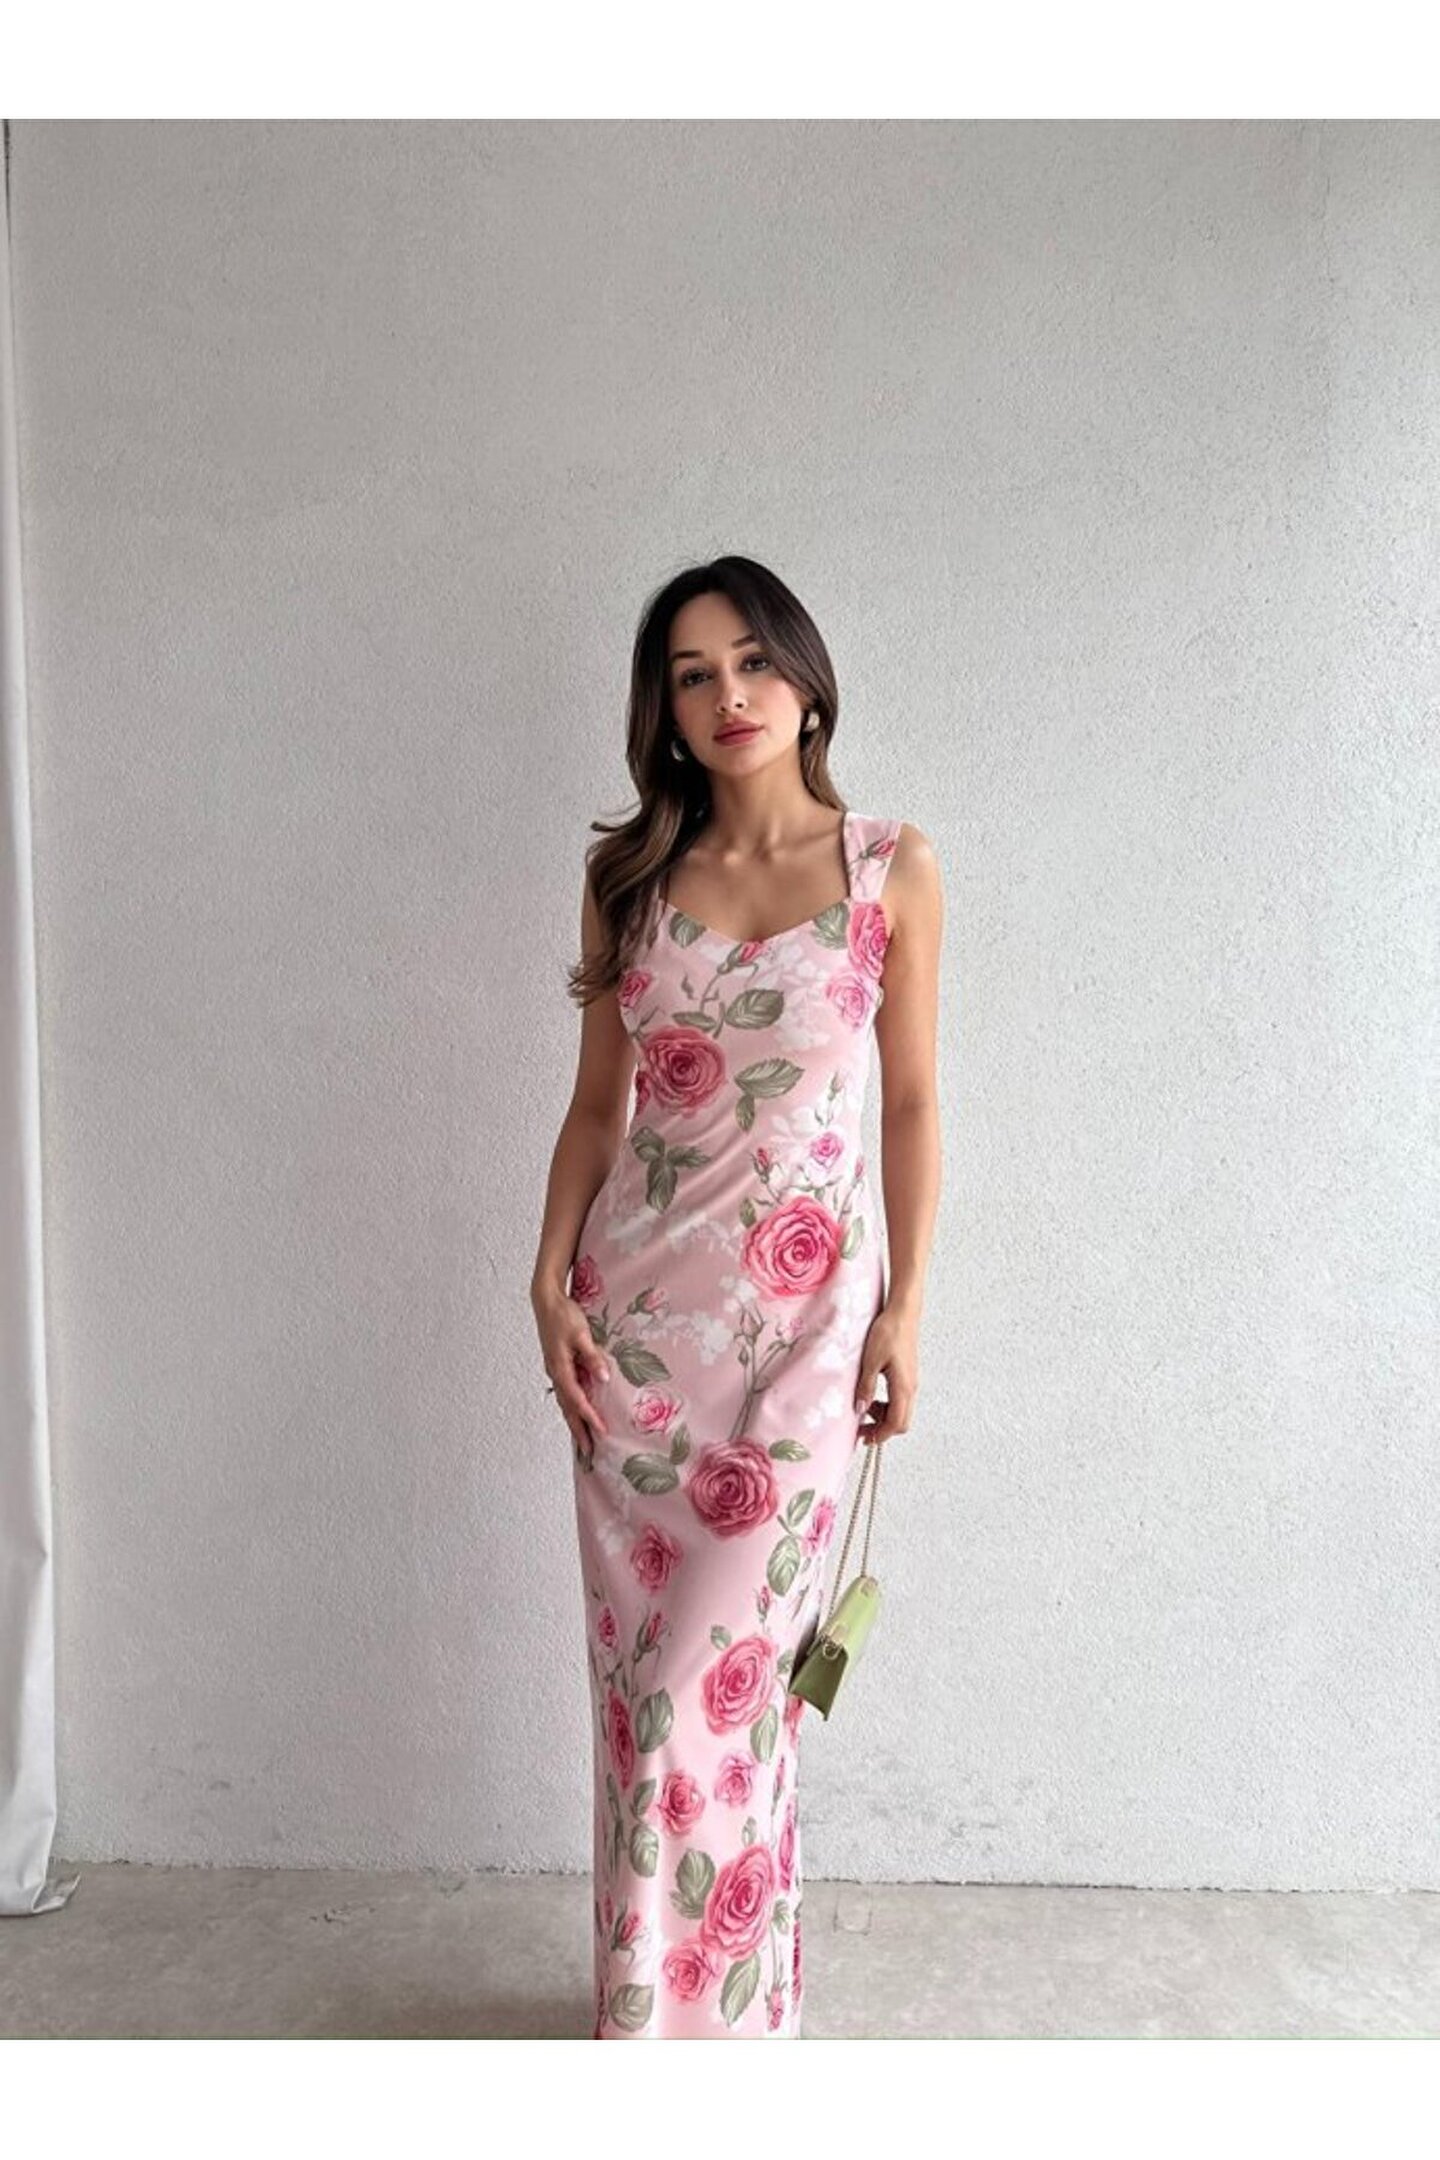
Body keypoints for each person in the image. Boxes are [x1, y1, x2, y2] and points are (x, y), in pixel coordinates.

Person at [530, 554, 943, 2038]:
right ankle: (665, 2019)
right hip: (633, 1339)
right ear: (665, 708)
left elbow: (910, 1102)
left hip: (806, 1341)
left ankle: (714, 2031)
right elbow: (599, 1109)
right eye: (693, 673)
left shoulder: (890, 869)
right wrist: (544, 1279)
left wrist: (904, 1308)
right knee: (648, 1699)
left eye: (754, 660)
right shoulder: (629, 881)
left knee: (724, 1685)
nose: (730, 695)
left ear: (806, 679)